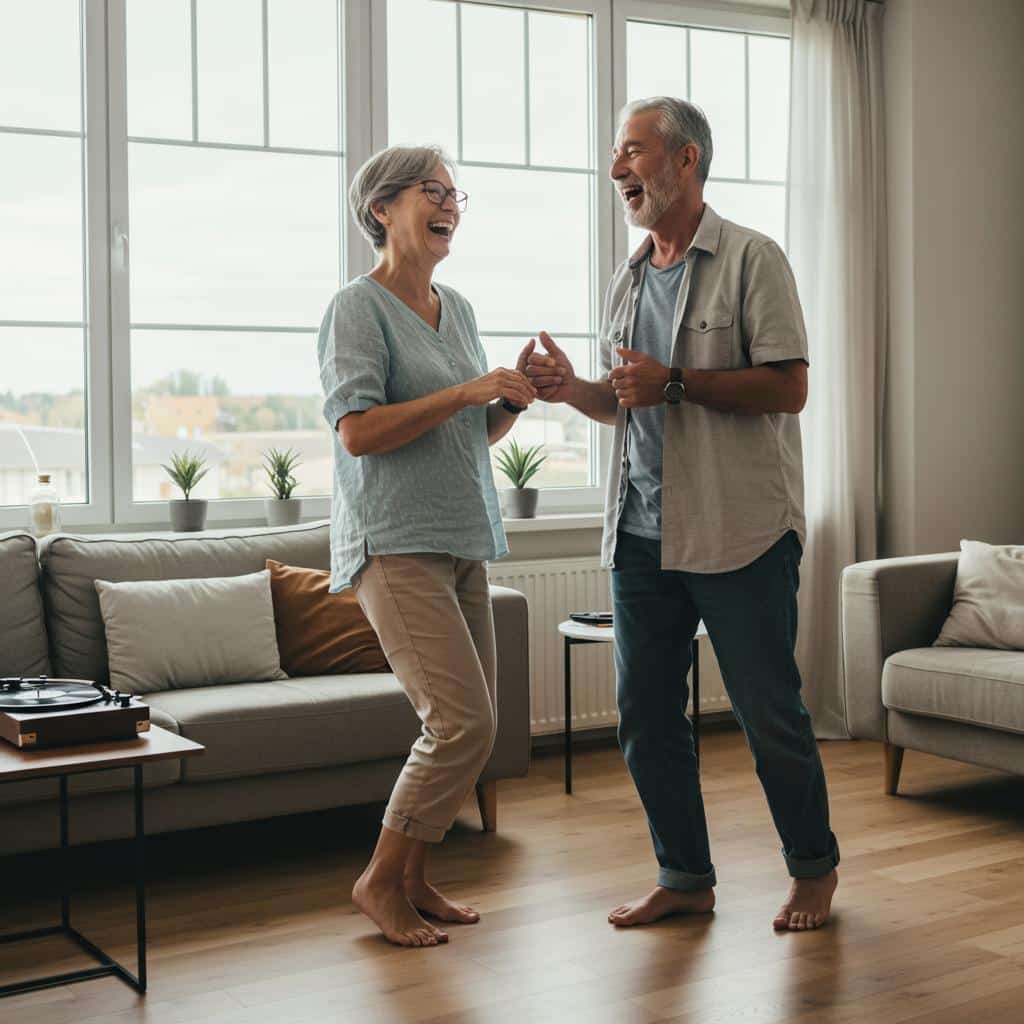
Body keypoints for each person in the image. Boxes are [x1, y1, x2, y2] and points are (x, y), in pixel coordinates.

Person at [522, 97, 840, 932]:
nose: (617, 168)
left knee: (769, 714)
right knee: (644, 719)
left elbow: (790, 387)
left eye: (633, 150)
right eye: (615, 155)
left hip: (740, 535)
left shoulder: (752, 259)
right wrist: (572, 390)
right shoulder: (627, 278)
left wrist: (676, 382)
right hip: (638, 535)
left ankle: (812, 869)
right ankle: (685, 876)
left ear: (686, 159)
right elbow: (627, 403)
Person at [318, 145, 537, 948]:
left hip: (461, 535)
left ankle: (412, 878)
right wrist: (467, 390)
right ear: (382, 209)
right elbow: (358, 434)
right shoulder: (356, 309)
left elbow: (470, 432)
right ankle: (378, 881)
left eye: (455, 194)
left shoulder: (461, 309)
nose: (449, 205)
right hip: (395, 541)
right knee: (459, 722)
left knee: (473, 724)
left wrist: (513, 397)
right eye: (430, 192)